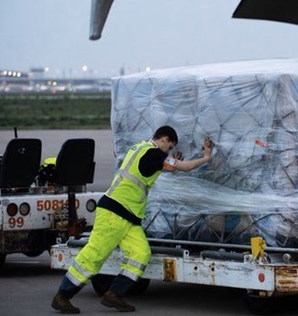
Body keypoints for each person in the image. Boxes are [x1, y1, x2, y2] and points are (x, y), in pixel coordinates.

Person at [51, 126, 215, 313]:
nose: (168, 151)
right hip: (114, 212)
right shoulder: (153, 153)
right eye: (169, 147)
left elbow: (156, 168)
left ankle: (114, 295)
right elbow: (184, 168)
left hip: (129, 217)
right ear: (164, 139)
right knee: (94, 254)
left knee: (140, 253)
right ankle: (62, 296)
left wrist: (169, 162)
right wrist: (206, 158)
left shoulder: (141, 149)